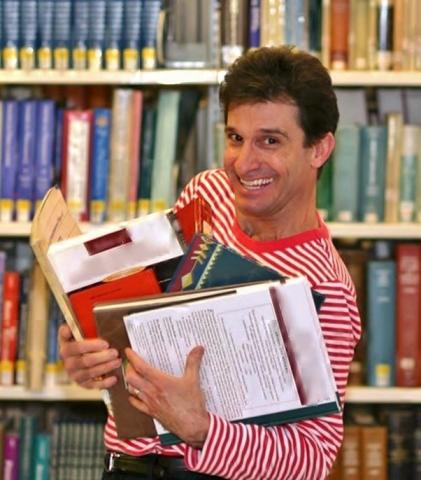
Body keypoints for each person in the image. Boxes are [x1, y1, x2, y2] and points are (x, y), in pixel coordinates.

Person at [59, 46, 361, 480]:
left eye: (270, 141)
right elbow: (149, 331)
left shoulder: (326, 286)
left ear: (319, 149)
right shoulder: (207, 195)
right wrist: (94, 359)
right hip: (125, 468)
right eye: (236, 137)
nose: (243, 163)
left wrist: (201, 429)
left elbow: (311, 458)